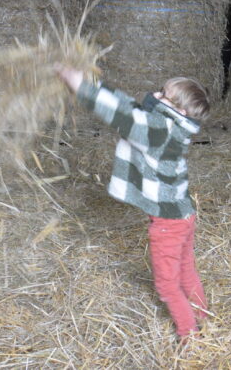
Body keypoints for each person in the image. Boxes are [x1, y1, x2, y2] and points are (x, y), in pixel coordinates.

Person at [56, 66, 211, 341]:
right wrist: (93, 84)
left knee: (166, 285)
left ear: (181, 111)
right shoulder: (173, 128)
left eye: (164, 95)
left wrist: (82, 87)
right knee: (186, 270)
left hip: (168, 222)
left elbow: (123, 114)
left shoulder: (158, 130)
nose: (154, 95)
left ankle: (190, 335)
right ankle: (203, 317)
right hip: (183, 214)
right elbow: (130, 106)